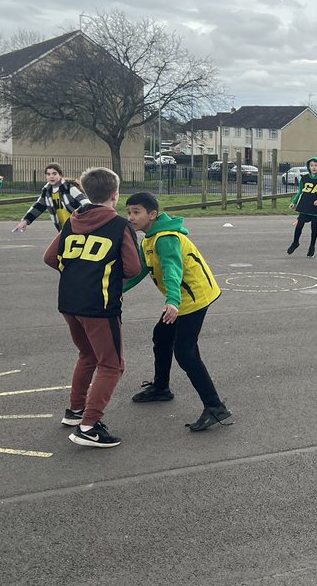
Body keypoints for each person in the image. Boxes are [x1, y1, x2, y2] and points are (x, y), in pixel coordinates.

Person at [43, 168, 143, 448]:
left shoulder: (73, 221)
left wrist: (76, 272)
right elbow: (134, 267)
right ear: (116, 194)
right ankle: (89, 425)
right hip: (99, 304)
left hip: (69, 301)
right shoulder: (119, 225)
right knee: (112, 365)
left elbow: (50, 257)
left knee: (87, 354)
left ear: (86, 192)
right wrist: (106, 277)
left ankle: (75, 411)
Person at [123, 192, 233, 432]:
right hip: (180, 298)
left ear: (152, 214)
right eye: (129, 212)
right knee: (161, 336)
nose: (130, 217)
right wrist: (118, 290)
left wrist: (173, 301)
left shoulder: (165, 238)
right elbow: (141, 269)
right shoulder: (149, 238)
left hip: (192, 299)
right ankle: (161, 388)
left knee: (185, 352)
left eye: (136, 212)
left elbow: (173, 270)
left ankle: (215, 408)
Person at [14, 163, 89, 233]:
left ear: (60, 175)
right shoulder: (47, 191)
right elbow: (38, 207)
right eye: (48, 174)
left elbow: (86, 203)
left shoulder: (69, 188)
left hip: (79, 227)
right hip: (63, 230)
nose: (51, 176)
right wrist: (25, 221)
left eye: (54, 173)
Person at [287, 156, 317, 258]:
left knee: (314, 228)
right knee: (299, 225)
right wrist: (294, 202)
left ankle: (312, 247)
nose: (314, 167)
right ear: (309, 167)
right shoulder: (304, 178)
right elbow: (300, 192)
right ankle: (295, 242)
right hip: (304, 206)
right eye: (311, 165)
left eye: (316, 165)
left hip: (315, 209)